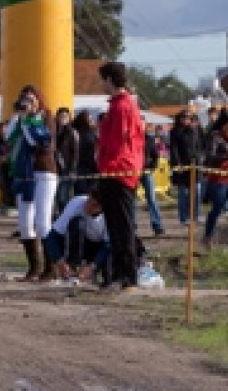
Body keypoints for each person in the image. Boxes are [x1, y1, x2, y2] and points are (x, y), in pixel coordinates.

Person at [96, 61, 144, 291]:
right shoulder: (120, 105)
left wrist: (107, 165)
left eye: (102, 79)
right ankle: (118, 273)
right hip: (116, 170)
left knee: (122, 226)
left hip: (119, 171)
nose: (100, 84)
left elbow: (118, 142)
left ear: (109, 80)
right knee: (114, 226)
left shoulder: (122, 107)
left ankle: (126, 275)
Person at [6, 85, 58, 282]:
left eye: (31, 98)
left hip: (44, 172)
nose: (28, 102)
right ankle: (33, 267)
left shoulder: (46, 117)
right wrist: (18, 115)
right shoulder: (21, 119)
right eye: (24, 98)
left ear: (39, 100)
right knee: (25, 224)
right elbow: (8, 136)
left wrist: (28, 120)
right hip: (24, 175)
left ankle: (51, 267)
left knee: (43, 222)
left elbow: (40, 142)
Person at [44, 189, 110, 284]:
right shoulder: (77, 203)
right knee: (77, 223)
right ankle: (73, 267)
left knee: (109, 278)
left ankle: (94, 271)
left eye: (94, 205)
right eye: (88, 201)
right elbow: (52, 237)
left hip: (100, 246)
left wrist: (92, 266)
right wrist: (60, 261)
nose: (87, 206)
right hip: (82, 243)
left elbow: (108, 245)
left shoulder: (110, 215)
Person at [202, 109, 228, 249]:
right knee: (218, 208)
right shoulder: (215, 136)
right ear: (225, 124)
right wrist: (226, 157)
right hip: (218, 178)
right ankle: (208, 236)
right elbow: (210, 157)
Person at [170, 110, 203, 225]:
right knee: (183, 193)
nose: (186, 120)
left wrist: (200, 159)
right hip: (182, 166)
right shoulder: (175, 132)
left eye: (188, 117)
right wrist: (176, 163)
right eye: (184, 117)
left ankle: (196, 215)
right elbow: (173, 149)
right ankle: (183, 217)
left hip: (195, 164)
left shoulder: (195, 130)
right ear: (180, 118)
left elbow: (199, 145)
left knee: (197, 191)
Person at [139, 118, 165, 235]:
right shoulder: (130, 138)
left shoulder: (149, 139)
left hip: (147, 171)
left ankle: (157, 224)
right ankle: (132, 226)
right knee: (131, 199)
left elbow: (155, 155)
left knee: (152, 199)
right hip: (132, 172)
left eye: (142, 123)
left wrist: (152, 167)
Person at [54, 107, 78, 213]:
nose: (63, 118)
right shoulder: (54, 132)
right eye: (61, 116)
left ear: (69, 118)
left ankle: (65, 218)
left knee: (63, 196)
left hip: (67, 169)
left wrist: (72, 169)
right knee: (57, 196)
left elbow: (75, 153)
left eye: (65, 116)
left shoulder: (72, 133)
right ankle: (59, 219)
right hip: (55, 169)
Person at [72, 110, 99, 196]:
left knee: (84, 194)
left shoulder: (92, 133)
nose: (92, 121)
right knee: (84, 193)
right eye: (90, 119)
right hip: (84, 167)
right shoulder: (85, 134)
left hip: (89, 167)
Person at [0, 120, 14, 217]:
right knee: (3, 185)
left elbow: (13, 152)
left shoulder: (12, 140)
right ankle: (6, 205)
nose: (3, 131)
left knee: (11, 185)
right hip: (1, 166)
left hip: (12, 167)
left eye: (5, 129)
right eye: (1, 129)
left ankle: (12, 206)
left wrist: (6, 158)